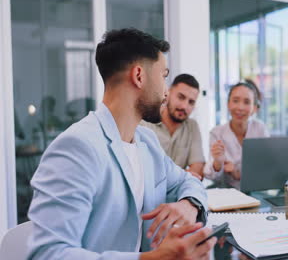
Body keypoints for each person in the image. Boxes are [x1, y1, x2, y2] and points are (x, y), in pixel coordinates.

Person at [27, 28, 216, 260]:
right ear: (139, 76)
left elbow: (188, 181)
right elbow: (47, 254)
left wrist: (189, 204)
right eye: (163, 75)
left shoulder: (147, 141)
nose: (166, 92)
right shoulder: (76, 148)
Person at [204, 82, 269, 189]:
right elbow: (209, 175)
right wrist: (218, 163)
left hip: (257, 191)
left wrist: (237, 173)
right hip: (228, 193)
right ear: (228, 104)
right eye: (235, 101)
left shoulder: (260, 129)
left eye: (247, 102)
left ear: (254, 108)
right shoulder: (217, 133)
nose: (240, 107)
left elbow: (266, 168)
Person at [141, 73, 205, 180]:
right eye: (181, 97)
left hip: (179, 194)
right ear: (168, 93)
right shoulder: (144, 122)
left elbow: (198, 168)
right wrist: (182, 177)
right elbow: (143, 171)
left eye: (191, 102)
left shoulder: (192, 126)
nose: (185, 106)